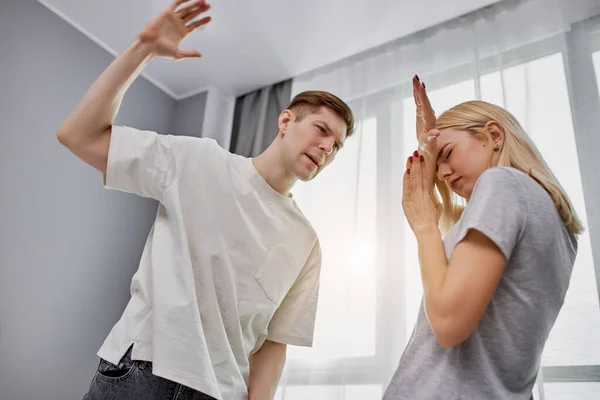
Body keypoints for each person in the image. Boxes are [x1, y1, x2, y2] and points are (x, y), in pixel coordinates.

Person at [56, 1, 354, 399]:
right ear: (286, 121)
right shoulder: (200, 161)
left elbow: (274, 343)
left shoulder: (307, 241)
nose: (327, 148)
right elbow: (79, 135)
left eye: (336, 146)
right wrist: (141, 50)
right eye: (321, 130)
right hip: (141, 371)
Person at [383, 76, 582, 399]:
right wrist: (429, 150)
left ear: (493, 135)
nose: (443, 174)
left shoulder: (502, 183)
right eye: (438, 167)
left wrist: (424, 228)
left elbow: (448, 323)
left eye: (448, 153)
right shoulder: (557, 223)